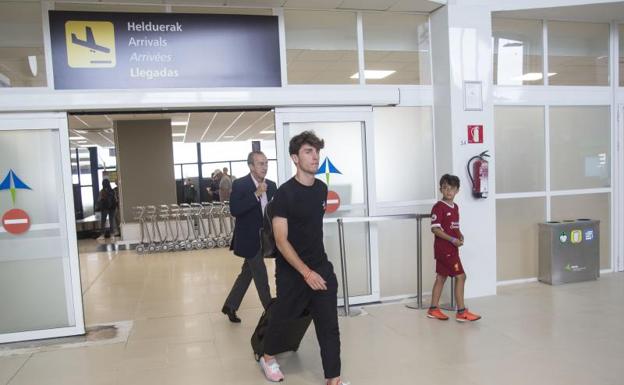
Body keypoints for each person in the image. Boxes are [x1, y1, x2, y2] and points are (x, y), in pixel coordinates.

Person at [259, 131, 347, 385]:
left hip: (320, 265)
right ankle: (267, 357)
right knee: (283, 317)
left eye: (317, 151)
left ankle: (334, 378)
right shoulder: (284, 195)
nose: (315, 156)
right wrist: (305, 273)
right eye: (308, 151)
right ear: (295, 158)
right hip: (291, 269)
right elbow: (280, 240)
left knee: (329, 324)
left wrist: (315, 270)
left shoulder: (321, 188)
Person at [222, 151, 276, 323]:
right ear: (251, 166)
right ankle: (271, 312)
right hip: (249, 239)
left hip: (266, 238)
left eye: (266, 163)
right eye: (260, 164)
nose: (264, 167)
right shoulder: (240, 184)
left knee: (247, 274)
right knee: (260, 274)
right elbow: (235, 210)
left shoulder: (272, 185)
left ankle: (230, 305)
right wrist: (256, 194)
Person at [427, 174, 481, 322]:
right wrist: (452, 239)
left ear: (457, 190)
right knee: (461, 276)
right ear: (440, 189)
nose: (448, 191)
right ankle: (462, 311)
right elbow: (435, 229)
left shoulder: (455, 207)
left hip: (451, 248)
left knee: (441, 277)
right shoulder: (438, 207)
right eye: (445, 188)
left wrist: (459, 234)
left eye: (452, 188)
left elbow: (453, 226)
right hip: (445, 250)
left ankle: (433, 309)